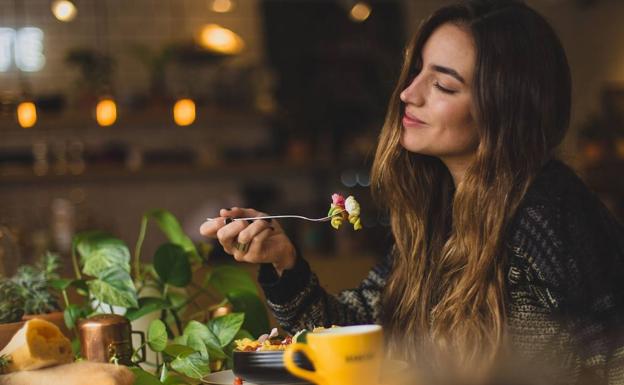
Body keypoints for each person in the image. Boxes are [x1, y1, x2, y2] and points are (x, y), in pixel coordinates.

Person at [200, 1, 624, 383]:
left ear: (505, 109)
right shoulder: (439, 212)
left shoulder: (546, 211)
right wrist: (283, 261)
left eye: (443, 85)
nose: (408, 93)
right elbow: (362, 331)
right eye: (418, 69)